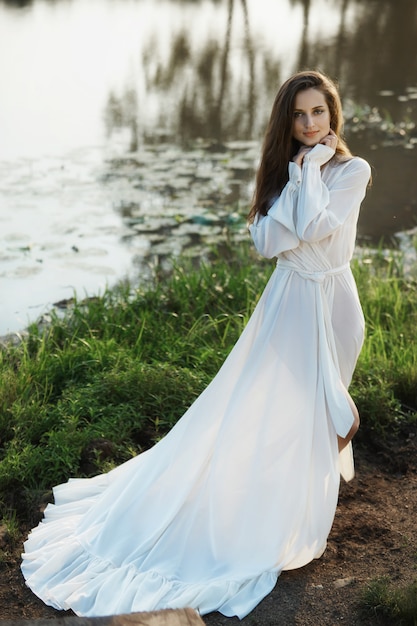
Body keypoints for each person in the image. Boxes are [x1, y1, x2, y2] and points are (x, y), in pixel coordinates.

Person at [21, 70, 371, 620]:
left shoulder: (353, 169)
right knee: (268, 411)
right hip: (290, 307)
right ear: (288, 120)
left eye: (318, 113)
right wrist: (302, 171)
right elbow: (271, 241)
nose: (309, 124)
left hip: (336, 303)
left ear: (334, 114)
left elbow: (315, 226)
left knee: (318, 414)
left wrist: (309, 177)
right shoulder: (288, 172)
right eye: (299, 115)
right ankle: (267, 517)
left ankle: (295, 509)